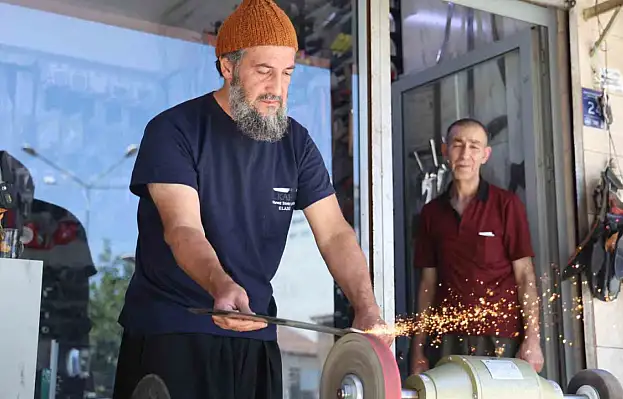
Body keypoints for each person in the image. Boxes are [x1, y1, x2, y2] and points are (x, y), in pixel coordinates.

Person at [112, 1, 392, 398]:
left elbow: (334, 234)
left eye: (287, 74)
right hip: (174, 329)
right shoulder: (173, 130)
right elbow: (182, 229)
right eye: (264, 71)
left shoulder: (296, 143)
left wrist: (365, 306)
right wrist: (221, 285)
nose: (277, 88)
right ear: (228, 67)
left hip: (256, 335)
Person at [409, 118, 544, 375]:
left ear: (485, 155)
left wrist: (533, 340)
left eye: (474, 146)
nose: (465, 154)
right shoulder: (431, 214)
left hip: (500, 336)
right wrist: (418, 349)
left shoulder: (506, 205)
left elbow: (525, 276)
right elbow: (427, 284)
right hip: (448, 338)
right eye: (457, 145)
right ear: (445, 151)